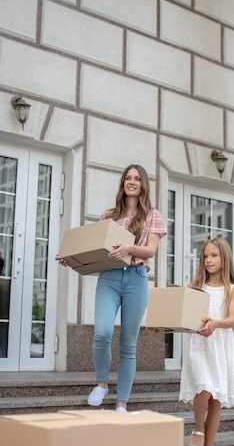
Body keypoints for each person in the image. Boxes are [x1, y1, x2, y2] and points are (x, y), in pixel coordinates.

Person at [58, 164, 166, 411]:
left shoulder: (152, 215)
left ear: (143, 184)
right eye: (128, 178)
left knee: (128, 343)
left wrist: (129, 249)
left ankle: (122, 401)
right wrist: (71, 256)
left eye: (137, 178)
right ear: (123, 183)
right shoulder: (108, 215)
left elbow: (150, 250)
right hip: (109, 278)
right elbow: (93, 246)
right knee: (102, 333)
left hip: (136, 278)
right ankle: (102, 383)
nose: (132, 182)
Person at [179, 238, 234, 446]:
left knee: (215, 402)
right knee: (203, 388)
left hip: (219, 345)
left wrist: (216, 323)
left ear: (224, 258)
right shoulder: (195, 285)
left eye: (214, 255)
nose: (208, 260)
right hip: (198, 344)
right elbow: (181, 313)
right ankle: (197, 430)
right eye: (205, 256)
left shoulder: (232, 289)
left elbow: (232, 319)